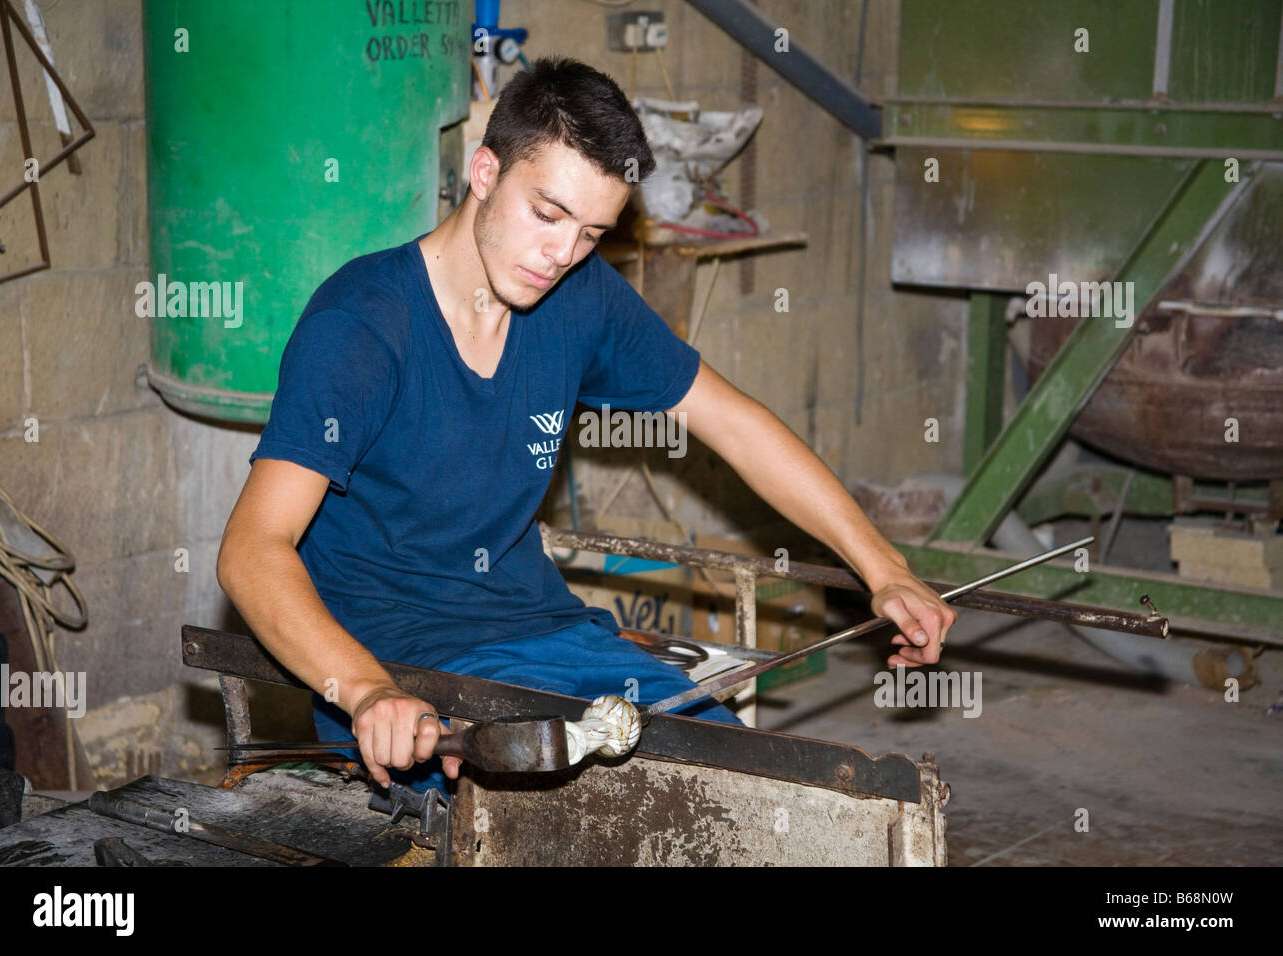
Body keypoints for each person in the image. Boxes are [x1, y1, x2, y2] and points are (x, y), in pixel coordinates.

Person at [216, 56, 955, 797]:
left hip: (548, 638)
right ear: (483, 173)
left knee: (747, 788)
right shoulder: (362, 327)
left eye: (592, 234)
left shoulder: (578, 297)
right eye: (547, 215)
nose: (561, 256)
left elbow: (734, 423)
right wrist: (367, 691)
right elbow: (253, 550)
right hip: (406, 672)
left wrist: (883, 568)